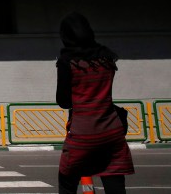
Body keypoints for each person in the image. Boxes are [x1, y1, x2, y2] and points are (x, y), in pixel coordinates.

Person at [56, 12, 134, 194]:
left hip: (83, 132)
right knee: (113, 176)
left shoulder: (68, 62)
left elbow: (64, 101)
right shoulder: (106, 58)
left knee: (67, 178)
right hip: (112, 131)